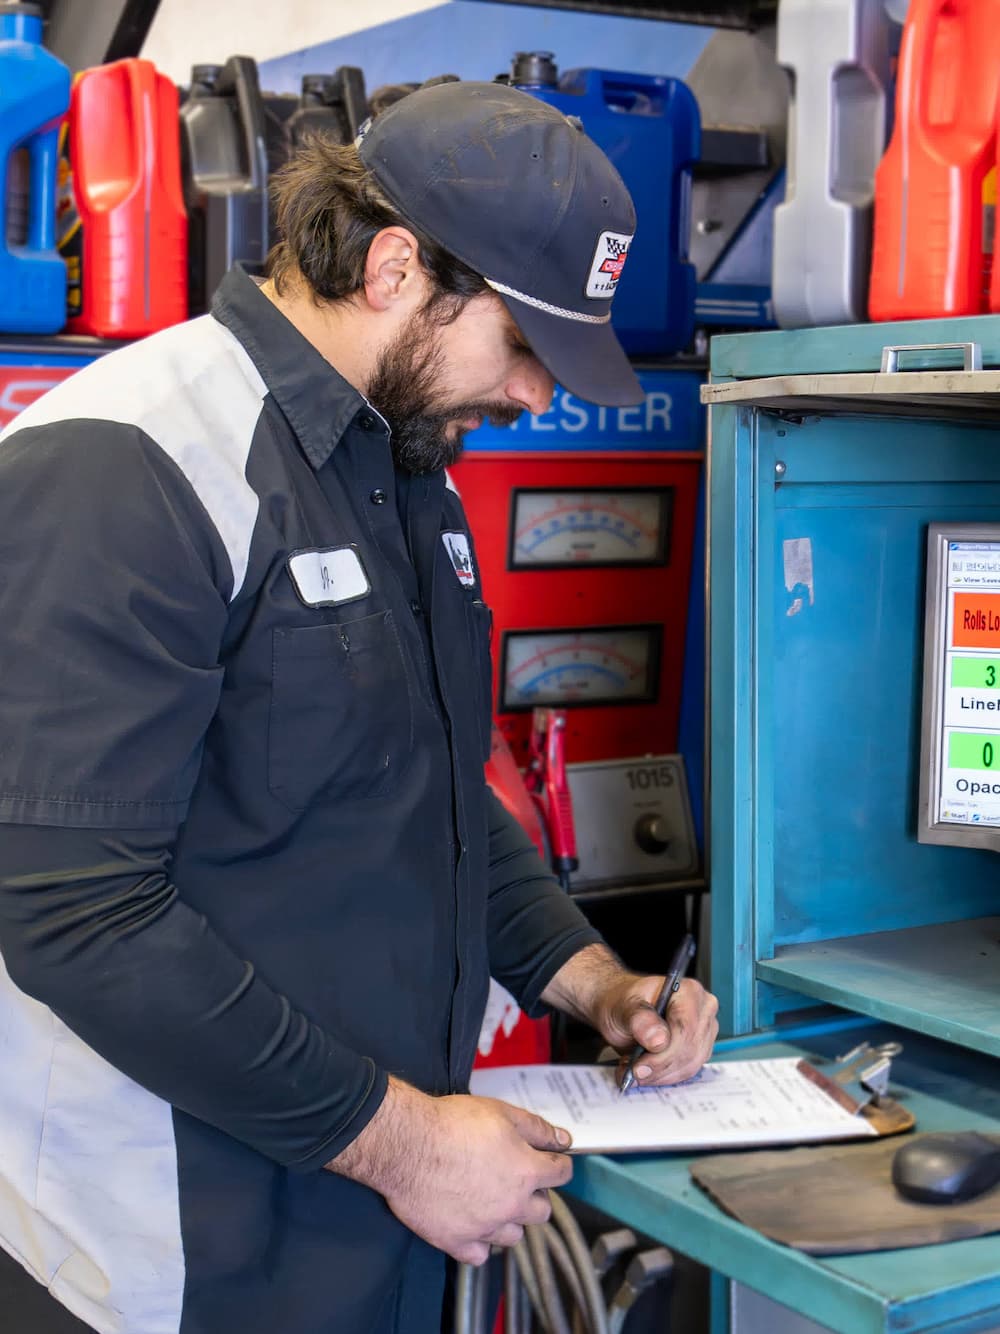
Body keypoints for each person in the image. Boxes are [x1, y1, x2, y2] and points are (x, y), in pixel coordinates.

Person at [0, 80, 719, 1334]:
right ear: (396, 267)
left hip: (369, 1218)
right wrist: (409, 1149)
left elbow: (423, 794)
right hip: (168, 1256)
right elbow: (74, 911)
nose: (537, 397)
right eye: (524, 344)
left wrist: (592, 979)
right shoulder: (129, 462)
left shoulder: (401, 467)